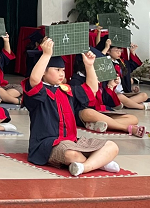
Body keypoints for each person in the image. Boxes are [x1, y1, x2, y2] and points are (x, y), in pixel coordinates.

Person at [22, 39, 120, 176]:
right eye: (57, 70)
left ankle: (85, 166)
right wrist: (46, 55)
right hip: (47, 145)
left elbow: (92, 89)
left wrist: (89, 66)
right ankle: (99, 163)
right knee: (71, 154)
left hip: (72, 141)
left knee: (112, 146)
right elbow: (34, 80)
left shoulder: (66, 90)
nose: (62, 74)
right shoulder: (39, 92)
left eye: (63, 70)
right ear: (44, 71)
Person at [68, 48, 145, 137]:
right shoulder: (75, 81)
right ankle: (124, 127)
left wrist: (110, 86)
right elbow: (84, 104)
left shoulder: (100, 78)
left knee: (133, 119)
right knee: (88, 112)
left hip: (101, 112)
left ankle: (97, 125)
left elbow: (108, 102)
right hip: (86, 113)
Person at [100, 38, 150, 111]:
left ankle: (124, 104)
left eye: (120, 51)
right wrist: (106, 48)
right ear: (108, 51)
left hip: (123, 93)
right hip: (111, 95)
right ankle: (142, 106)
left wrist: (132, 51)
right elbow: (99, 60)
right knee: (120, 97)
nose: (119, 53)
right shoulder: (105, 62)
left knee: (144, 95)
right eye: (116, 51)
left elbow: (133, 65)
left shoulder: (121, 62)